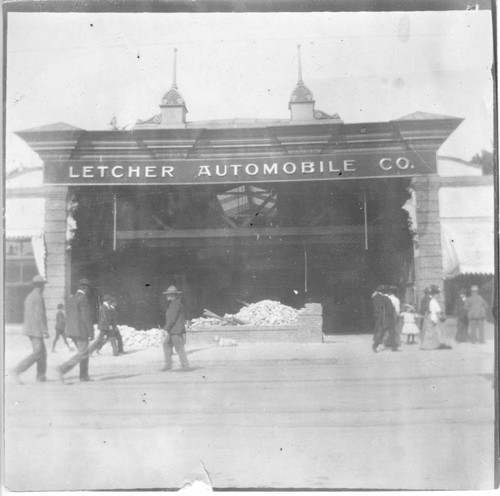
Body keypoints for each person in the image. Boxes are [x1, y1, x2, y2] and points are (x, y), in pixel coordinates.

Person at [11, 275, 49, 384]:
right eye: (43, 285)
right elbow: (39, 315)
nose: (44, 287)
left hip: (31, 328)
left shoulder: (30, 296)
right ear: (41, 285)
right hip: (35, 329)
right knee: (38, 353)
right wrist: (44, 330)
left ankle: (41, 376)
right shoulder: (38, 297)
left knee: (43, 353)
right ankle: (16, 370)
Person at [56, 278, 94, 383]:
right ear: (85, 288)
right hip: (81, 330)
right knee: (83, 353)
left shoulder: (71, 298)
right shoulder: (83, 298)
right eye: (89, 288)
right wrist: (91, 332)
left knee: (84, 352)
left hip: (71, 330)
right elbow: (86, 317)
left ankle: (84, 376)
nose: (89, 291)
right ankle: (62, 368)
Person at [161, 286, 191, 371]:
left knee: (179, 348)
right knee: (166, 345)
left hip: (176, 330)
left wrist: (165, 328)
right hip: (173, 330)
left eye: (169, 294)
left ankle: (185, 366)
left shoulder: (175, 304)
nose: (167, 296)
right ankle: (168, 365)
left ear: (173, 295)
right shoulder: (173, 303)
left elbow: (172, 318)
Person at [420, 285, 451, 350]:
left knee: (434, 332)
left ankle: (435, 344)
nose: (439, 296)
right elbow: (433, 311)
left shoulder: (433, 301)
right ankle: (431, 345)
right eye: (437, 294)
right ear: (435, 294)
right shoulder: (433, 301)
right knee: (434, 332)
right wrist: (434, 319)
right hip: (433, 316)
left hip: (434, 316)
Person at [372, 285, 398, 352]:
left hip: (380, 317)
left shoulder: (375, 298)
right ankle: (394, 347)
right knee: (392, 332)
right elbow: (391, 309)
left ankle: (375, 345)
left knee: (381, 333)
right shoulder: (386, 298)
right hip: (387, 317)